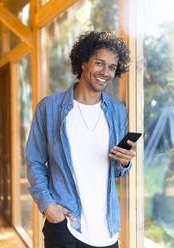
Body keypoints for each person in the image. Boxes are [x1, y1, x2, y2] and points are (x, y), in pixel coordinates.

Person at [26, 31, 136, 248]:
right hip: (66, 225)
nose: (105, 72)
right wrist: (48, 206)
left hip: (107, 231)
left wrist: (124, 161)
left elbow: (115, 171)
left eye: (112, 67)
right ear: (84, 63)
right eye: (99, 63)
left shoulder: (118, 111)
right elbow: (34, 162)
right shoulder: (50, 108)